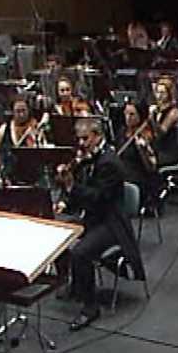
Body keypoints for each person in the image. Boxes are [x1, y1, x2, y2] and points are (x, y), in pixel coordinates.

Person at [55, 118, 144, 330]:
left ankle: (90, 307)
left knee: (80, 253)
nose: (81, 143)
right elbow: (79, 189)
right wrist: (65, 199)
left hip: (111, 223)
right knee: (57, 237)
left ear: (98, 136)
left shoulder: (109, 162)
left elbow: (98, 198)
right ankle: (75, 285)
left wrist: (72, 186)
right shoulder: (87, 158)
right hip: (93, 217)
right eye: (79, 139)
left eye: (85, 138)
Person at [148, 78, 178, 167]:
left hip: (167, 151)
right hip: (155, 148)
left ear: (169, 94)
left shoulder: (173, 112)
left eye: (162, 93)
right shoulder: (156, 110)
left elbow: (160, 133)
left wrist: (152, 118)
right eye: (157, 92)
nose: (159, 96)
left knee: (146, 162)